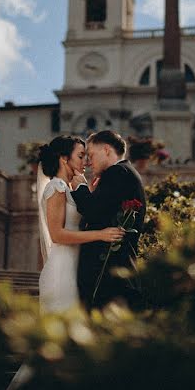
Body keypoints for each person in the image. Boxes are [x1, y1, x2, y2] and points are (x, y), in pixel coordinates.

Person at [36, 135, 124, 313]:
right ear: (64, 158)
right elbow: (57, 234)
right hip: (62, 270)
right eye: (80, 156)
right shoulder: (56, 187)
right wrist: (101, 234)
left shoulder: (69, 189)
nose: (86, 161)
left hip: (75, 268)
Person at [71, 130, 147, 309]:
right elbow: (103, 214)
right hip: (114, 273)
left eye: (90, 155)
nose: (88, 162)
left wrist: (80, 187)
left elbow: (92, 212)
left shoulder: (117, 173)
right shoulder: (125, 173)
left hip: (108, 276)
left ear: (106, 150)